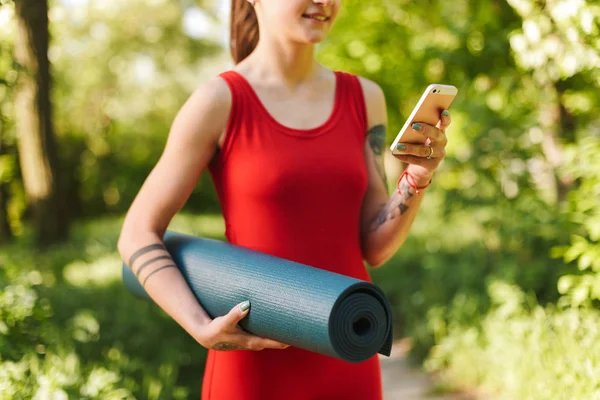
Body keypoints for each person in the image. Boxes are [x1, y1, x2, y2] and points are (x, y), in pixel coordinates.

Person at [117, 0, 451, 398]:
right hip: (252, 362)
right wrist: (199, 326)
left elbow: (374, 247)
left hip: (348, 348)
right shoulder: (218, 101)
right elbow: (137, 233)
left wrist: (417, 177)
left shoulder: (364, 97)